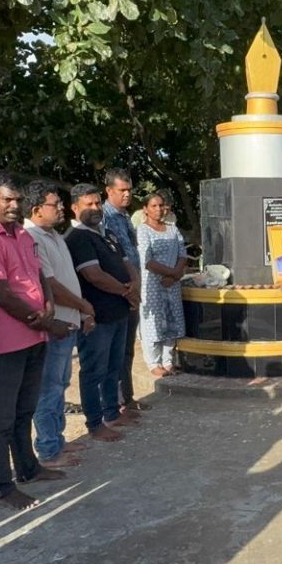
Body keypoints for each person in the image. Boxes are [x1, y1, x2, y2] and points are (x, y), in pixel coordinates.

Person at [0, 171, 67, 511]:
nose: (13, 205)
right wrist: (42, 319)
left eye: (18, 199)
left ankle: (28, 467)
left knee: (25, 409)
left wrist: (48, 305)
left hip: (34, 335)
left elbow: (38, 274)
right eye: (6, 199)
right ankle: (2, 485)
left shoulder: (22, 234)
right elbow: (0, 292)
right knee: (0, 417)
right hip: (5, 340)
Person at [23, 180, 94, 467]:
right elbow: (51, 285)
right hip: (55, 325)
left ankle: (57, 441)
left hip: (69, 321)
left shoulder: (53, 235)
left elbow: (67, 279)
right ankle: (49, 449)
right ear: (37, 209)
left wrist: (81, 312)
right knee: (49, 388)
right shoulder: (32, 237)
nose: (62, 208)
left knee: (60, 385)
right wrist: (83, 305)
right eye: (56, 204)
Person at [67, 184, 136, 443]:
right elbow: (94, 275)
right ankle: (95, 423)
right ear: (75, 208)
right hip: (98, 316)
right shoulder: (78, 238)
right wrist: (126, 292)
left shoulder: (107, 234)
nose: (95, 208)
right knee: (94, 370)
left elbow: (127, 263)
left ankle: (112, 413)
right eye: (89, 204)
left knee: (113, 367)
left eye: (97, 203)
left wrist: (134, 284)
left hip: (118, 312)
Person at [103, 168, 149, 418]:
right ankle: (116, 403)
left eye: (129, 190)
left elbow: (131, 254)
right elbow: (111, 260)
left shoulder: (124, 217)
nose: (127, 194)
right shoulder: (104, 218)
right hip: (118, 292)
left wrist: (137, 285)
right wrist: (127, 288)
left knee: (127, 349)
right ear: (109, 191)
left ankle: (127, 398)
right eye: (122, 190)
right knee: (115, 352)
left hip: (133, 288)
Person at [136, 190, 188, 376]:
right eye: (153, 206)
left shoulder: (173, 229)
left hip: (172, 284)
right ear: (145, 209)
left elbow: (182, 254)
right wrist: (171, 273)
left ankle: (168, 361)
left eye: (160, 205)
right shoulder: (142, 230)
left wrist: (174, 276)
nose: (158, 209)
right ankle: (153, 362)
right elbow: (147, 260)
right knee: (153, 323)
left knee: (172, 320)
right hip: (153, 284)